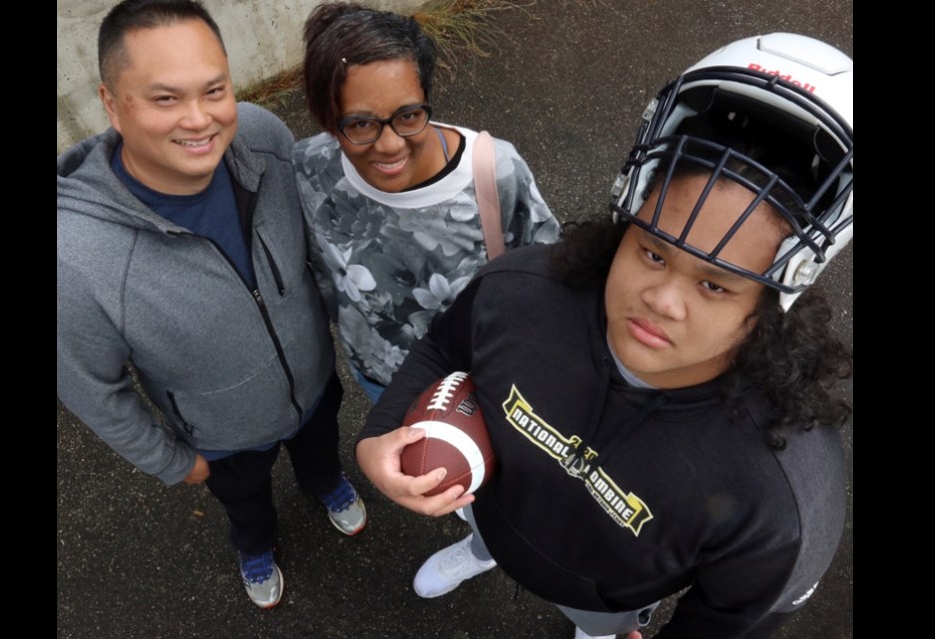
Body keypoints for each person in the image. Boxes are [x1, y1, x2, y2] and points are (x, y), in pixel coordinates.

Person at [357, 33, 853, 638]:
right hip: (490, 505)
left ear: (778, 294)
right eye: (651, 252)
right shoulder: (520, 294)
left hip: (605, 602)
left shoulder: (780, 493)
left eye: (716, 285)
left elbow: (736, 614)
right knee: (486, 527)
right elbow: (444, 344)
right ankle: (483, 551)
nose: (662, 301)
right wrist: (379, 435)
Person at [57, 0, 365, 610]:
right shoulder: (76, 260)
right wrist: (176, 463)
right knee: (246, 506)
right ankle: (255, 548)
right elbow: (91, 388)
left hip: (314, 383)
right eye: (164, 98)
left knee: (321, 452)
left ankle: (326, 484)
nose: (199, 121)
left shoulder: (263, 137)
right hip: (221, 439)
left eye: (214, 89)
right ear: (111, 104)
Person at [293, 2, 560, 402]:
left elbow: (550, 283)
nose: (389, 145)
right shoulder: (311, 167)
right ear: (327, 119)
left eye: (408, 115)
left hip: (481, 386)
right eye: (360, 123)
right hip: (379, 376)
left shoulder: (495, 172)